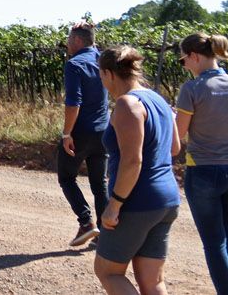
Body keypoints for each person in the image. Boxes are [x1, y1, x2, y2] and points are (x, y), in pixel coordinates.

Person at [94, 46, 180, 295]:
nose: (101, 80)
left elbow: (133, 161)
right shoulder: (158, 99)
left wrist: (115, 204)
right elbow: (174, 147)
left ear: (109, 73)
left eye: (101, 75)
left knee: (108, 271)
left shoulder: (127, 104)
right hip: (167, 200)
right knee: (152, 282)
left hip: (137, 201)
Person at [175, 33, 228, 295]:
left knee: (213, 241)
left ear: (194, 56)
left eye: (183, 60)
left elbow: (179, 134)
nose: (184, 65)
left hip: (204, 171)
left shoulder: (192, 89)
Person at [58, 21, 110, 247]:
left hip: (81, 131)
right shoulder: (104, 61)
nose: (67, 44)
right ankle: (106, 234)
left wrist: (66, 133)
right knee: (100, 184)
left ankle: (86, 222)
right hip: (104, 131)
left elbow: (73, 103)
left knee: (67, 177)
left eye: (69, 39)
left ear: (78, 41)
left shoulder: (74, 64)